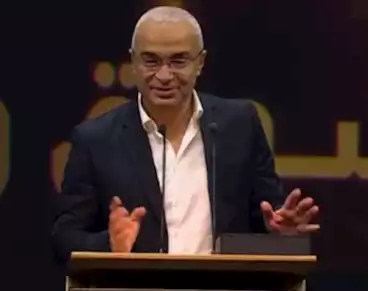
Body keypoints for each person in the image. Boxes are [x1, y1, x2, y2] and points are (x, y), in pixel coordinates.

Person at [52, 6, 319, 257]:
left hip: (223, 289)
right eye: (151, 61)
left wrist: (280, 235)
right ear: (133, 62)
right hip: (137, 290)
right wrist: (110, 243)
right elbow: (64, 239)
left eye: (178, 61)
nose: (164, 75)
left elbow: (268, 215)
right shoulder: (96, 140)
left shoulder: (240, 126)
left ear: (200, 62)